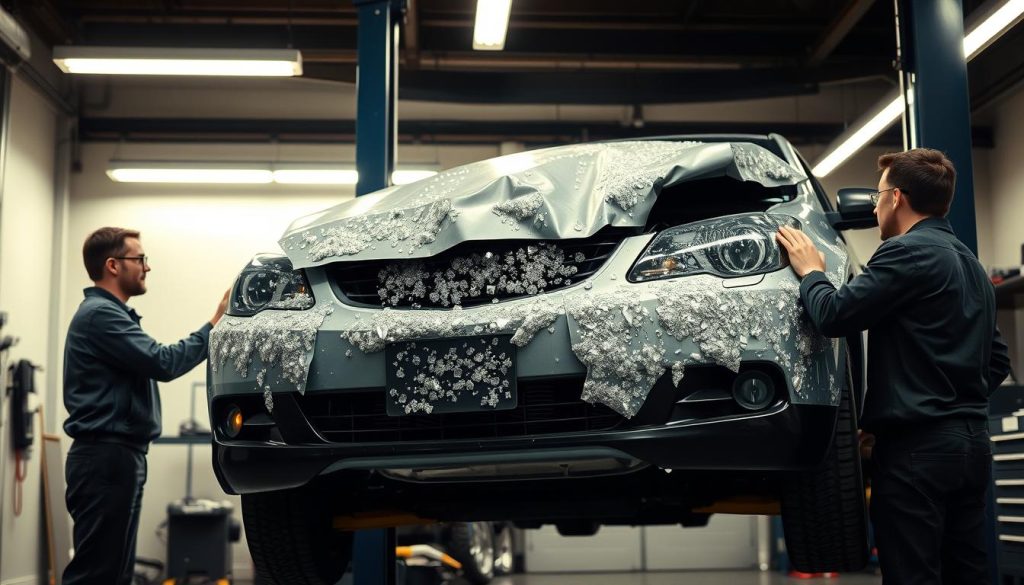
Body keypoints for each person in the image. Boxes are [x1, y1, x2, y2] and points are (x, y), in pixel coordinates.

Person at [776, 148, 1012, 584]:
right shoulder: (972, 267)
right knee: (969, 573)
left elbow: (833, 315)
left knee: (912, 575)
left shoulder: (906, 253)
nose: (875, 204)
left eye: (878, 195)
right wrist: (934, 398)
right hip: (970, 447)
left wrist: (811, 272)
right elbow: (996, 362)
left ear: (897, 197)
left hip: (917, 453)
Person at [62, 227, 228, 585]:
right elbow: (164, 362)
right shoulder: (99, 316)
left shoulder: (110, 315)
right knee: (97, 573)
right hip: (106, 458)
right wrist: (214, 324)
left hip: (118, 457)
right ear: (113, 265)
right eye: (139, 259)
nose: (146, 267)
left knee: (115, 573)